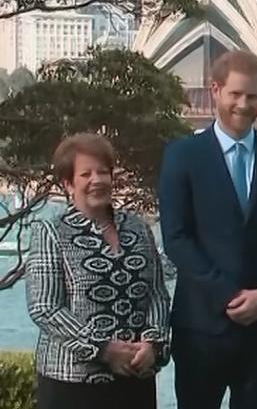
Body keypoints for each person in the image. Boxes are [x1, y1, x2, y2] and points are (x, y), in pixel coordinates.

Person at [158, 50, 257, 409]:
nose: (243, 104)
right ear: (216, 90)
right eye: (235, 94)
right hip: (201, 326)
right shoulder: (182, 156)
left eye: (252, 96)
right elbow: (177, 238)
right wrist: (227, 294)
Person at [26, 133, 170, 409]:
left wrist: (152, 344)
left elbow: (157, 294)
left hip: (135, 378)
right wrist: (104, 348)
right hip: (72, 384)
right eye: (86, 174)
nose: (97, 180)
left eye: (103, 172)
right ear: (68, 183)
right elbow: (45, 307)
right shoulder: (50, 231)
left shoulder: (138, 227)